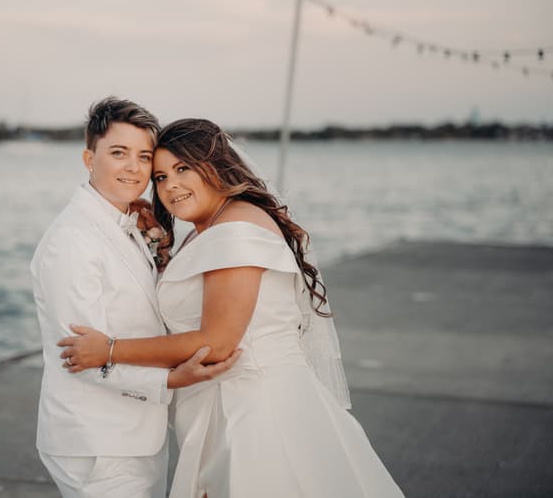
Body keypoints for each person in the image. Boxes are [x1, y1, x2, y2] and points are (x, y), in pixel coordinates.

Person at [58, 119, 405, 497]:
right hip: (228, 406)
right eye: (159, 177)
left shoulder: (234, 230)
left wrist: (109, 350)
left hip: (253, 415)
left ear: (214, 165)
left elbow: (218, 341)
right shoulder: (212, 227)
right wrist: (159, 250)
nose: (170, 185)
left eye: (182, 168)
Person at [30, 101, 240, 498]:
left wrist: (159, 252)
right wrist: (170, 380)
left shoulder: (127, 223)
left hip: (132, 433)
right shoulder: (72, 242)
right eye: (118, 153)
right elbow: (80, 357)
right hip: (98, 441)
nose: (133, 167)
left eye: (144, 156)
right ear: (89, 158)